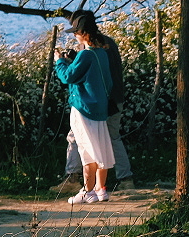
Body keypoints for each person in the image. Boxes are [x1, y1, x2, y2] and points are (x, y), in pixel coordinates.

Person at [52, 11, 132, 193]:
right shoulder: (106, 45)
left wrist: (62, 62)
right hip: (112, 98)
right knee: (110, 138)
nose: (74, 34)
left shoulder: (88, 51)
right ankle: (121, 180)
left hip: (94, 103)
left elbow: (73, 76)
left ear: (83, 31)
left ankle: (76, 180)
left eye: (76, 30)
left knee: (80, 140)